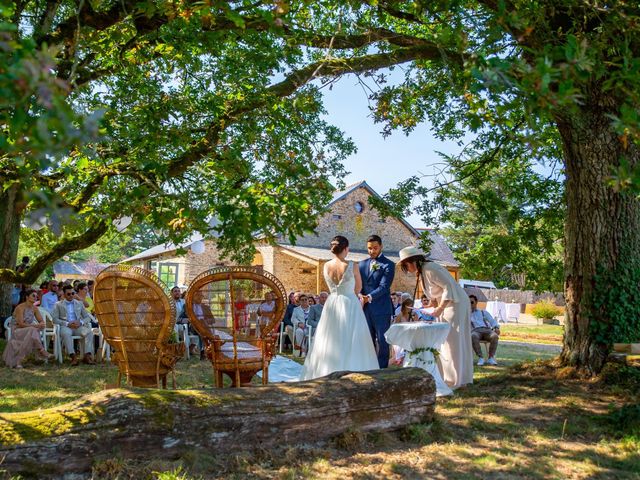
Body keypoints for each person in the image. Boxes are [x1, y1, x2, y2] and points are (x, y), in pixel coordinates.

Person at [301, 236, 379, 380]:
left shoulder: (326, 266)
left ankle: (326, 370)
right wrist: (351, 294)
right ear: (346, 248)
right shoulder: (352, 265)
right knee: (352, 337)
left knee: (330, 337)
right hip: (349, 302)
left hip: (332, 303)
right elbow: (359, 288)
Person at [398, 246, 473, 389]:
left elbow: (447, 288)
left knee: (453, 340)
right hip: (445, 305)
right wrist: (430, 306)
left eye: (406, 265)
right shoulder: (422, 273)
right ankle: (448, 377)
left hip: (454, 305)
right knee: (445, 342)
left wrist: (439, 308)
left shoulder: (430, 268)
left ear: (413, 262)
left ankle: (456, 381)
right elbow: (434, 293)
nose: (407, 269)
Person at [359, 234, 395, 368]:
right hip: (365, 309)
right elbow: (359, 285)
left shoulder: (389, 265)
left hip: (382, 309)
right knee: (367, 340)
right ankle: (369, 366)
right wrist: (359, 295)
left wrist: (368, 297)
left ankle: (382, 369)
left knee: (382, 340)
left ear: (381, 247)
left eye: (375, 248)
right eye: (369, 248)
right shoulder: (362, 264)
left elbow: (384, 287)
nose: (372, 251)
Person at [2, 289, 54, 368]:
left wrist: (41, 324)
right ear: (27, 297)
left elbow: (41, 321)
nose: (35, 297)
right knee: (33, 330)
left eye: (36, 296)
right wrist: (35, 326)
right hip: (16, 330)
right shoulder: (20, 307)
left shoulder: (35, 308)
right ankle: (42, 351)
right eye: (33, 295)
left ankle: (18, 362)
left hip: (28, 330)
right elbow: (21, 324)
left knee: (32, 332)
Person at [51, 285, 95, 366]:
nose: (71, 295)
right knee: (66, 333)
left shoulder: (79, 303)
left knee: (89, 332)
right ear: (64, 295)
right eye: (68, 294)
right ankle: (73, 356)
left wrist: (81, 322)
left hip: (78, 327)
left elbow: (87, 317)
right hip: (66, 326)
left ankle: (87, 356)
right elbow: (54, 319)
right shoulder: (58, 304)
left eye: (72, 293)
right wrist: (67, 323)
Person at [469, 295, 501, 366]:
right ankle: (481, 357)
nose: (470, 304)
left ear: (476, 302)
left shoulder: (483, 312)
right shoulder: (466, 314)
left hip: (487, 330)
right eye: (468, 302)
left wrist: (496, 327)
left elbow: (492, 320)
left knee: (494, 336)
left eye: (472, 302)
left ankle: (491, 358)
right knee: (473, 335)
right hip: (475, 331)